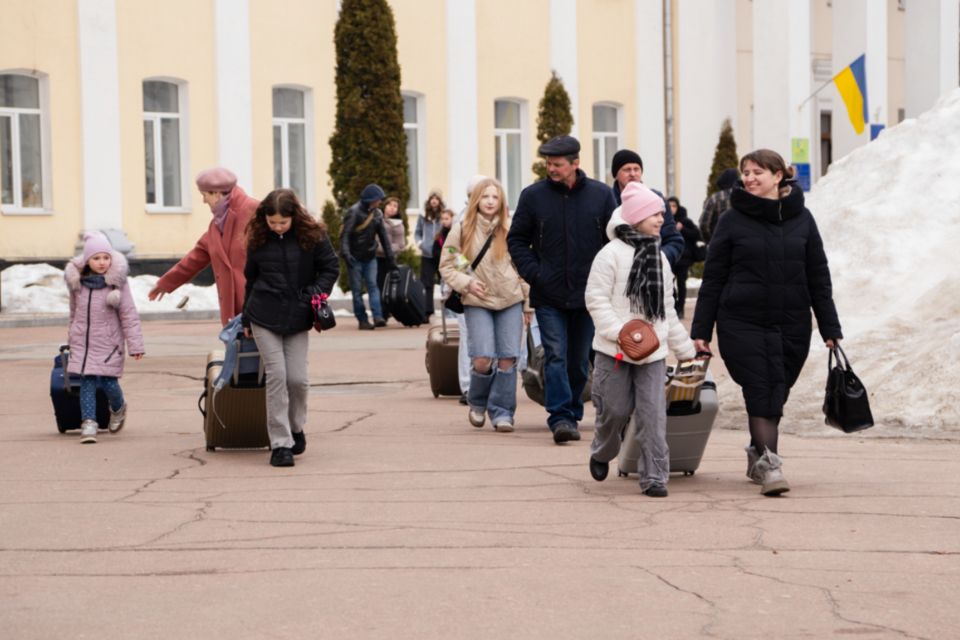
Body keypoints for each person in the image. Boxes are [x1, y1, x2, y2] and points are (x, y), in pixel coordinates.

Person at [690, 149, 842, 496]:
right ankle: (771, 465)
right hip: (741, 322)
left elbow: (819, 277)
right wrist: (700, 331)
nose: (749, 178)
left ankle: (756, 453)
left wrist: (830, 327)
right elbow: (713, 278)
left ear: (778, 176)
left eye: (758, 172)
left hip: (791, 323)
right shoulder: (731, 220)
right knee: (760, 391)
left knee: (776, 391)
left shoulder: (803, 219)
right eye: (746, 172)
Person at [584, 183, 696, 496]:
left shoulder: (659, 259)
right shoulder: (609, 256)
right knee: (615, 410)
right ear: (635, 217)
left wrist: (684, 349)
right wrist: (619, 332)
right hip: (614, 349)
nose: (662, 218)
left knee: (653, 415)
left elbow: (667, 311)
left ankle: (655, 476)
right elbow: (595, 299)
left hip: (653, 352)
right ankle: (603, 451)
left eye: (662, 213)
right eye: (654, 213)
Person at [508, 135, 617, 444]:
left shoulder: (601, 196)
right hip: (550, 293)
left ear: (575, 164)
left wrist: (607, 280)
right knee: (555, 354)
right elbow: (517, 240)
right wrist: (534, 273)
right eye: (548, 164)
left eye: (557, 164)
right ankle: (560, 417)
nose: (551, 169)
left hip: (589, 294)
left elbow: (615, 240)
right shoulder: (533, 196)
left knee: (579, 359)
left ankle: (572, 411)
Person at [241, 189, 340, 467]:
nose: (277, 227)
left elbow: (331, 267)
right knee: (277, 375)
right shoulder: (259, 239)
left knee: (297, 380)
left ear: (294, 216)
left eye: (282, 222)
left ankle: (296, 427)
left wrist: (313, 293)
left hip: (298, 316)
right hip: (263, 314)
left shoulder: (313, 236)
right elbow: (250, 280)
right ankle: (280, 444)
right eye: (272, 222)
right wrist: (246, 317)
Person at [440, 178, 531, 432]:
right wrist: (466, 282)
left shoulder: (510, 228)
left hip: (510, 299)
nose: (490, 201)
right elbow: (449, 265)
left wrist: (528, 305)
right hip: (478, 301)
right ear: (476, 200)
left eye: (495, 197)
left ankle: (503, 412)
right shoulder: (463, 229)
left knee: (507, 358)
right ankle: (478, 402)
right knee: (482, 358)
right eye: (485, 196)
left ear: (501, 201)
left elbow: (522, 268)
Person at [148, 167, 259, 326]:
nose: (203, 200)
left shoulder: (254, 210)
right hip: (235, 314)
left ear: (217, 193)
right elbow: (195, 258)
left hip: (260, 306)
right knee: (239, 349)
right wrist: (166, 283)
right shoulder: (216, 226)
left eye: (204, 195)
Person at [64, 232, 145, 444]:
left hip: (109, 343)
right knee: (87, 381)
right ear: (87, 260)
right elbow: (74, 314)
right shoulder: (78, 284)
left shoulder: (117, 284)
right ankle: (89, 423)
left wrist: (135, 344)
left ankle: (118, 408)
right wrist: (72, 338)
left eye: (106, 257)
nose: (102, 263)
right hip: (84, 342)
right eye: (97, 258)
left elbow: (129, 314)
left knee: (109, 382)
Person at [609, 149, 685, 268]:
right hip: (616, 269)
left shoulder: (656, 199)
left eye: (636, 169)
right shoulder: (608, 200)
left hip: (654, 271)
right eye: (627, 169)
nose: (633, 174)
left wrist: (658, 259)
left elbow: (674, 240)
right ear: (616, 174)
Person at [341, 184, 395, 330]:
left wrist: (391, 260)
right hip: (354, 258)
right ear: (370, 199)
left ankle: (378, 317)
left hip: (370, 257)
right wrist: (346, 254)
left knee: (373, 286)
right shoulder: (354, 212)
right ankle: (362, 320)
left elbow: (384, 237)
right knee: (357, 290)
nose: (380, 203)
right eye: (378, 200)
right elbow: (345, 235)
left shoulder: (377, 214)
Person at [667, 196, 703, 319]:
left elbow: (696, 235)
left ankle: (680, 308)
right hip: (670, 257)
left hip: (684, 257)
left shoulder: (685, 221)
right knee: (669, 283)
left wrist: (683, 229)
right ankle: (673, 307)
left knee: (681, 283)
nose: (672, 208)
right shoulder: (664, 220)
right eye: (670, 206)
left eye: (674, 206)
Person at [414, 190, 446, 318]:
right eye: (432, 198)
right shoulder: (423, 216)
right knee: (427, 283)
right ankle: (427, 311)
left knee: (445, 282)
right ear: (429, 200)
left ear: (439, 201)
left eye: (436, 198)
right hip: (427, 254)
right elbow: (417, 232)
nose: (434, 200)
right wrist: (421, 243)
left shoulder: (444, 215)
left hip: (441, 254)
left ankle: (448, 312)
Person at [375, 196, 407, 317]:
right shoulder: (377, 218)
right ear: (385, 206)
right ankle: (378, 312)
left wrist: (383, 248)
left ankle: (384, 312)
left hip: (388, 259)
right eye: (390, 205)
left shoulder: (398, 224)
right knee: (375, 286)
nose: (392, 208)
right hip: (374, 258)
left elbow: (400, 245)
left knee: (384, 286)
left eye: (395, 206)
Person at [699, 167, 740, 244]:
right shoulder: (745, 196)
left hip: (719, 243)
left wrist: (710, 241)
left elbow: (703, 224)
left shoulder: (714, 198)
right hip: (740, 244)